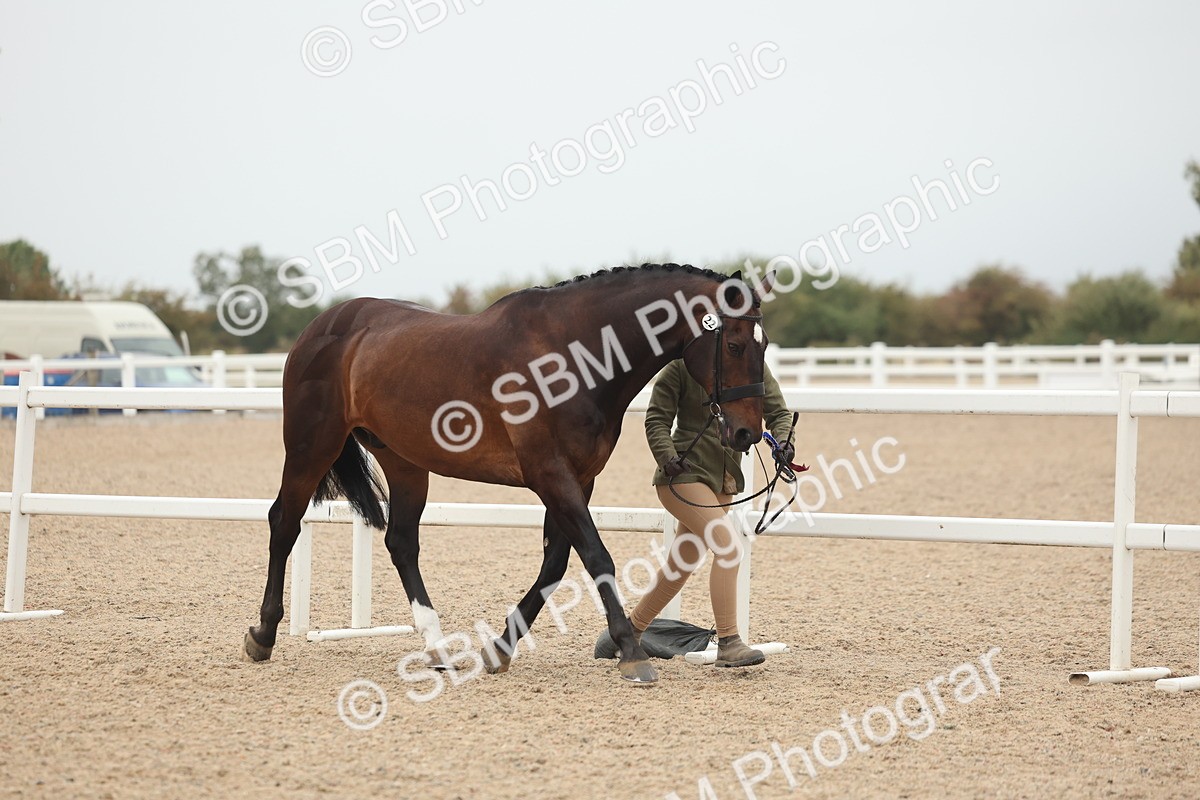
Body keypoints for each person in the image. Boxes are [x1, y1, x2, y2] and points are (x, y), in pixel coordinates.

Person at [628, 358, 794, 667]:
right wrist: (667, 457)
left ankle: (629, 633)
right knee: (728, 549)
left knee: (682, 562)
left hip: (724, 477)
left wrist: (784, 443)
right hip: (683, 473)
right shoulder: (682, 365)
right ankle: (729, 643)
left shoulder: (752, 364)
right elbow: (656, 420)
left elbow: (779, 413)